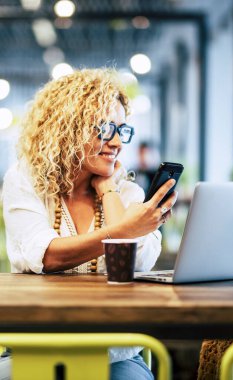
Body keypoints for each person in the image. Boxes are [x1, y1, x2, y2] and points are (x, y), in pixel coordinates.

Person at [1, 68, 177, 380]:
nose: (116, 143)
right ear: (66, 129)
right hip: (34, 345)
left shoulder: (127, 191)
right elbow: (47, 256)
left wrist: (108, 192)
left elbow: (140, 261)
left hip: (114, 352)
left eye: (121, 130)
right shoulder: (25, 179)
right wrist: (125, 229)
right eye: (104, 129)